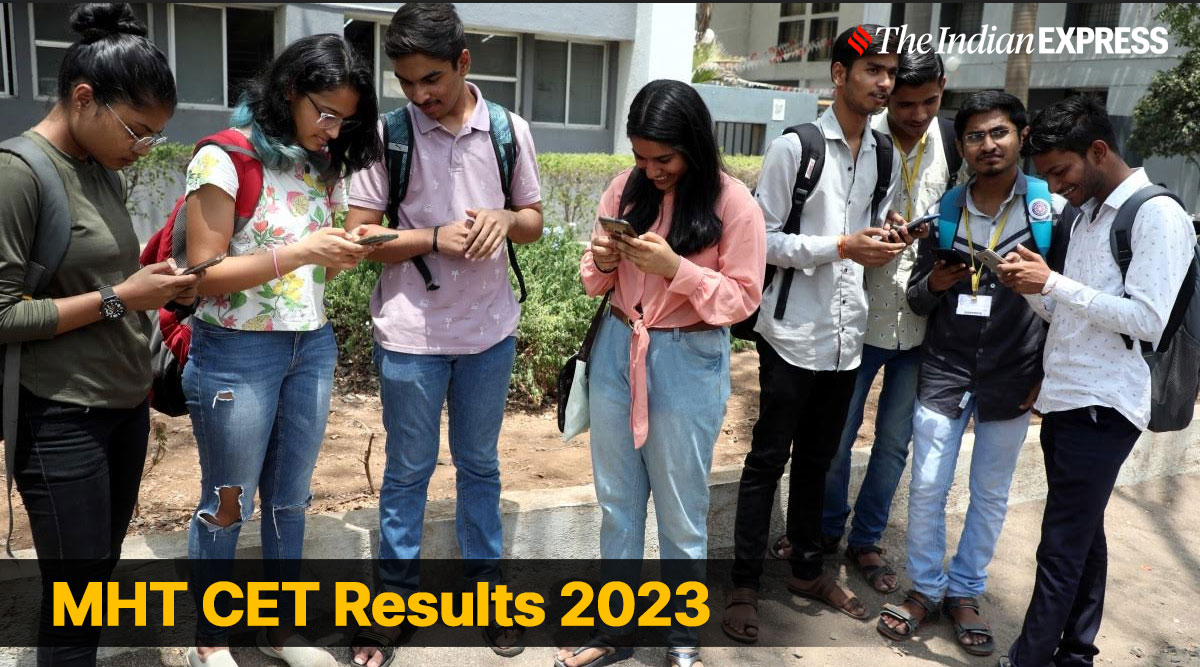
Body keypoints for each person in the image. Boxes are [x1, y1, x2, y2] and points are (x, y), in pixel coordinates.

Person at [342, 4, 543, 665]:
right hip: (410, 335)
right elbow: (363, 237)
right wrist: (433, 236)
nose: (420, 95)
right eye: (406, 82)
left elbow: (535, 219)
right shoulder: (386, 135)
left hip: (489, 331)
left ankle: (488, 597)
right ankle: (391, 605)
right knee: (407, 472)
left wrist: (503, 221)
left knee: (481, 465)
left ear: (464, 62)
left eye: (431, 78)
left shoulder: (509, 130)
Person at [0, 4, 198, 665]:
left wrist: (157, 284)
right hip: (60, 414)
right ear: (84, 98)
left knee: (93, 584)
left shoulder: (97, 168)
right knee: (74, 601)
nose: (144, 148)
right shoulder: (19, 173)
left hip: (120, 407)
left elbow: (101, 276)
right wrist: (122, 297)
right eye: (138, 131)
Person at [181, 33, 381, 667]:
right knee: (227, 500)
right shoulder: (224, 156)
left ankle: (280, 630)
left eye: (346, 119)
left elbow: (316, 276)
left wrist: (351, 249)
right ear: (289, 91)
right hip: (236, 352)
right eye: (326, 112)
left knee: (291, 499)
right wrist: (303, 251)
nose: (334, 128)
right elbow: (201, 274)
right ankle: (209, 643)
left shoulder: (323, 166)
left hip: (310, 347)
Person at [554, 79, 765, 667]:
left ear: (694, 146)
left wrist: (677, 269)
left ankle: (681, 641)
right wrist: (599, 260)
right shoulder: (625, 188)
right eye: (641, 156)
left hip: (688, 357)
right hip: (619, 346)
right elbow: (592, 278)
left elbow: (743, 301)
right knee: (618, 500)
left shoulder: (733, 204)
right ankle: (613, 631)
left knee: (680, 508)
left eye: (663, 158)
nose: (651, 170)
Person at [722, 24, 907, 644]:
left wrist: (886, 235)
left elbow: (869, 228)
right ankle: (744, 583)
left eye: (890, 72)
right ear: (838, 74)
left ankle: (807, 570)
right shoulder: (795, 147)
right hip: (790, 333)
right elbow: (761, 241)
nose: (884, 83)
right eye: (872, 70)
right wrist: (840, 245)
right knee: (767, 460)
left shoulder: (884, 154)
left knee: (820, 460)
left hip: (846, 335)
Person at [997, 95, 1194, 667]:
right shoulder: (1085, 214)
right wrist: (1032, 289)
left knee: (1060, 544)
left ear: (1099, 150)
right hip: (1066, 396)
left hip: (1105, 404)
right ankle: (1076, 651)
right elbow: (1072, 311)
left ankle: (1029, 658)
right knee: (1082, 532)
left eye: (1061, 171)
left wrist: (1053, 284)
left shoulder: (1157, 215)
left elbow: (1148, 320)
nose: (1056, 187)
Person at [876, 91, 1065, 657]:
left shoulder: (1049, 215)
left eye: (999, 133)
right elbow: (915, 299)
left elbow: (1067, 304)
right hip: (945, 369)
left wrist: (1044, 378)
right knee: (929, 483)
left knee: (989, 492)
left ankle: (965, 592)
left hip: (1014, 373)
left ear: (1021, 137)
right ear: (962, 146)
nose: (989, 145)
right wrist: (934, 284)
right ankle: (925, 588)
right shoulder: (944, 215)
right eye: (976, 136)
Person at [814, 49, 960, 595]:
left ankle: (867, 540)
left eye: (928, 102)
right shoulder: (864, 142)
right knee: (837, 437)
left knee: (895, 442)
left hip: (922, 322)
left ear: (942, 90)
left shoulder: (954, 145)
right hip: (858, 317)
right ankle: (826, 533)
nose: (916, 115)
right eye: (904, 104)